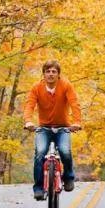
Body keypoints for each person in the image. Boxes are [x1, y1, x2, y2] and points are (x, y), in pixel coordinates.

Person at [23, 60, 82, 200]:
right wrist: (28, 121)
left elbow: (75, 104)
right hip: (43, 128)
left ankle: (68, 177)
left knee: (65, 151)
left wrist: (77, 122)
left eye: (54, 71)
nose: (50, 74)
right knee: (40, 153)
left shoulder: (66, 86)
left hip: (63, 127)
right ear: (43, 74)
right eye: (48, 71)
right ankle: (38, 188)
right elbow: (29, 105)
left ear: (58, 75)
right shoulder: (36, 87)